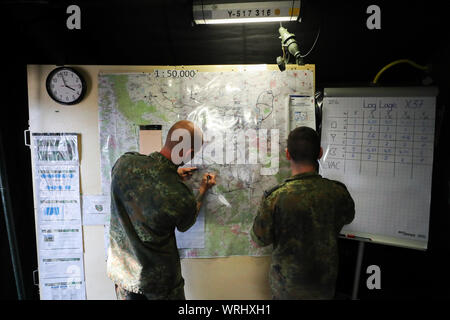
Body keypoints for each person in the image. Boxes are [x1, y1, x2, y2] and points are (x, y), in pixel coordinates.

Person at [107, 120, 216, 300]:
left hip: (124, 279)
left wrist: (173, 174)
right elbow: (185, 223)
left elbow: (148, 179)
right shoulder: (180, 194)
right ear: (187, 153)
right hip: (160, 287)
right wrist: (203, 190)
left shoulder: (124, 163)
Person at [250, 126, 355, 299]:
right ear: (320, 153)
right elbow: (348, 217)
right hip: (323, 285)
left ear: (288, 154)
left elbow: (259, 240)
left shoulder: (276, 197)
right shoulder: (338, 192)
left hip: (287, 288)